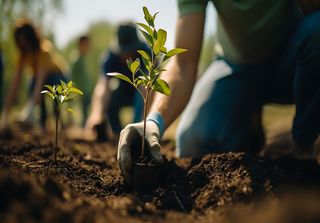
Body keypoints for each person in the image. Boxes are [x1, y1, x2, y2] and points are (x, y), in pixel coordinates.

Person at [117, 1, 320, 183]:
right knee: (194, 145)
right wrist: (154, 122)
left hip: (295, 60)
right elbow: (183, 63)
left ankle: (303, 145)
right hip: (236, 67)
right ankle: (248, 122)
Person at [85, 23, 149, 141]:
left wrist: (139, 124)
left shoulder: (147, 53)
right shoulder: (110, 57)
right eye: (123, 51)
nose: (126, 55)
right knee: (111, 95)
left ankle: (137, 131)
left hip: (141, 95)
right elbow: (103, 86)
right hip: (122, 93)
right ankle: (117, 134)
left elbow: (147, 87)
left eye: (129, 50)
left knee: (145, 90)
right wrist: (96, 114)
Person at [0, 20, 68, 128]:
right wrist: (6, 111)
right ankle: (42, 124)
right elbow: (15, 83)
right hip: (39, 78)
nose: (23, 44)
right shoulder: (22, 56)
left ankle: (60, 122)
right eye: (20, 40)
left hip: (58, 76)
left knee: (52, 92)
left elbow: (41, 79)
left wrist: (28, 111)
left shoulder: (44, 50)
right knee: (32, 84)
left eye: (25, 40)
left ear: (30, 38)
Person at [71, 35, 91, 126]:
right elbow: (73, 76)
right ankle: (83, 127)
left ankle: (85, 125)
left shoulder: (82, 58)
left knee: (86, 109)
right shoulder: (76, 59)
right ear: (80, 44)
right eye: (86, 44)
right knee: (84, 110)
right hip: (81, 90)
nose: (88, 47)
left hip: (86, 89)